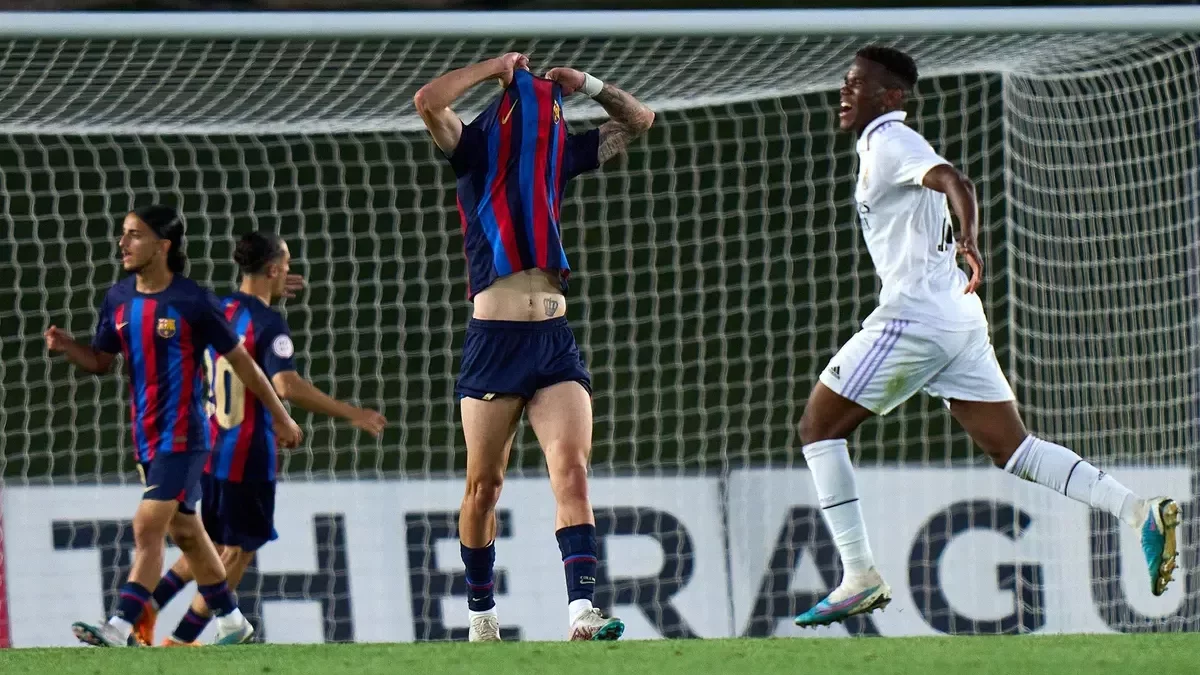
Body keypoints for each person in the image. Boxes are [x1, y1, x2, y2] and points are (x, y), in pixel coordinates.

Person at [793, 45, 1179, 628]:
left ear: (891, 97)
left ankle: (859, 574)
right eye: (845, 83)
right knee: (1013, 449)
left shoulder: (893, 141)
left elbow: (954, 179)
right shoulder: (877, 145)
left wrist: (969, 239)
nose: (846, 92)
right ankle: (1138, 512)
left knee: (818, 428)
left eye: (858, 84)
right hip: (957, 318)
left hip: (915, 319)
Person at [412, 52, 655, 641]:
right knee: (483, 486)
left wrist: (589, 84)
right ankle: (481, 613)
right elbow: (427, 100)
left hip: (554, 340)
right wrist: (494, 66)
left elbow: (640, 119)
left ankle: (582, 613)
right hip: (493, 342)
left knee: (571, 472)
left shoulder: (561, 155)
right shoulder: (471, 148)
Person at [46, 205, 302, 646]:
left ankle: (120, 625)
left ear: (163, 246)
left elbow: (243, 364)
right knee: (186, 532)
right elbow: (101, 361)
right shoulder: (119, 299)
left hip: (184, 434)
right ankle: (231, 619)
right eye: (123, 234)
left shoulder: (192, 301)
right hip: (144, 436)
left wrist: (281, 416)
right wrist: (70, 347)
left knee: (147, 527)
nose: (123, 244)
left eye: (134, 236)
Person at [133, 230, 387, 646]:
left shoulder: (219, 308)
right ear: (272, 269)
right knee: (239, 550)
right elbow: (286, 384)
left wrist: (265, 287)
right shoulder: (269, 323)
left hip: (209, 448)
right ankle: (182, 641)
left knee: (209, 544)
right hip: (247, 453)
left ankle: (151, 605)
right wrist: (351, 412)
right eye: (284, 264)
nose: (289, 270)